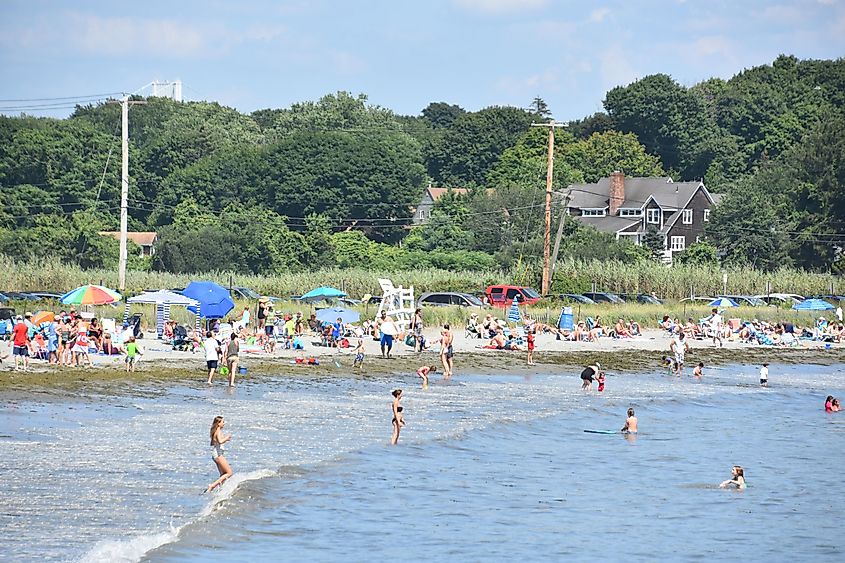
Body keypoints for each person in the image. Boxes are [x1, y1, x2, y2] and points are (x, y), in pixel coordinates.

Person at [206, 416, 233, 493]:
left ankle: (221, 490)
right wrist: (226, 438)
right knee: (229, 473)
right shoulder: (218, 431)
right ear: (218, 423)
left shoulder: (216, 431)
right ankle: (212, 486)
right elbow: (220, 441)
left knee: (223, 474)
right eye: (223, 422)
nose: (224, 423)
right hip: (218, 455)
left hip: (216, 454)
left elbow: (214, 442)